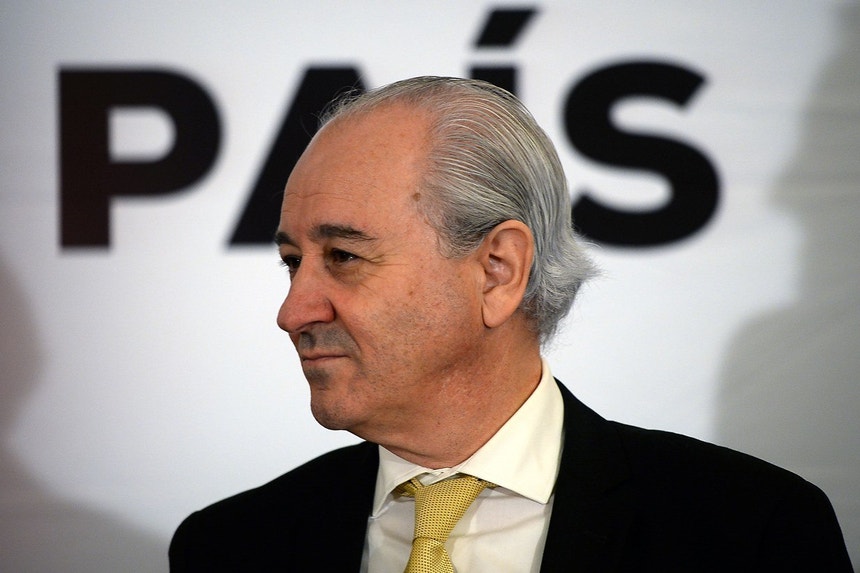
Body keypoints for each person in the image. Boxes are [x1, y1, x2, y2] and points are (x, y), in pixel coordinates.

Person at [169, 77, 852, 572]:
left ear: (498, 269)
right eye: (293, 262)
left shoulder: (748, 533)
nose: (293, 312)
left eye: (344, 257)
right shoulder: (230, 547)